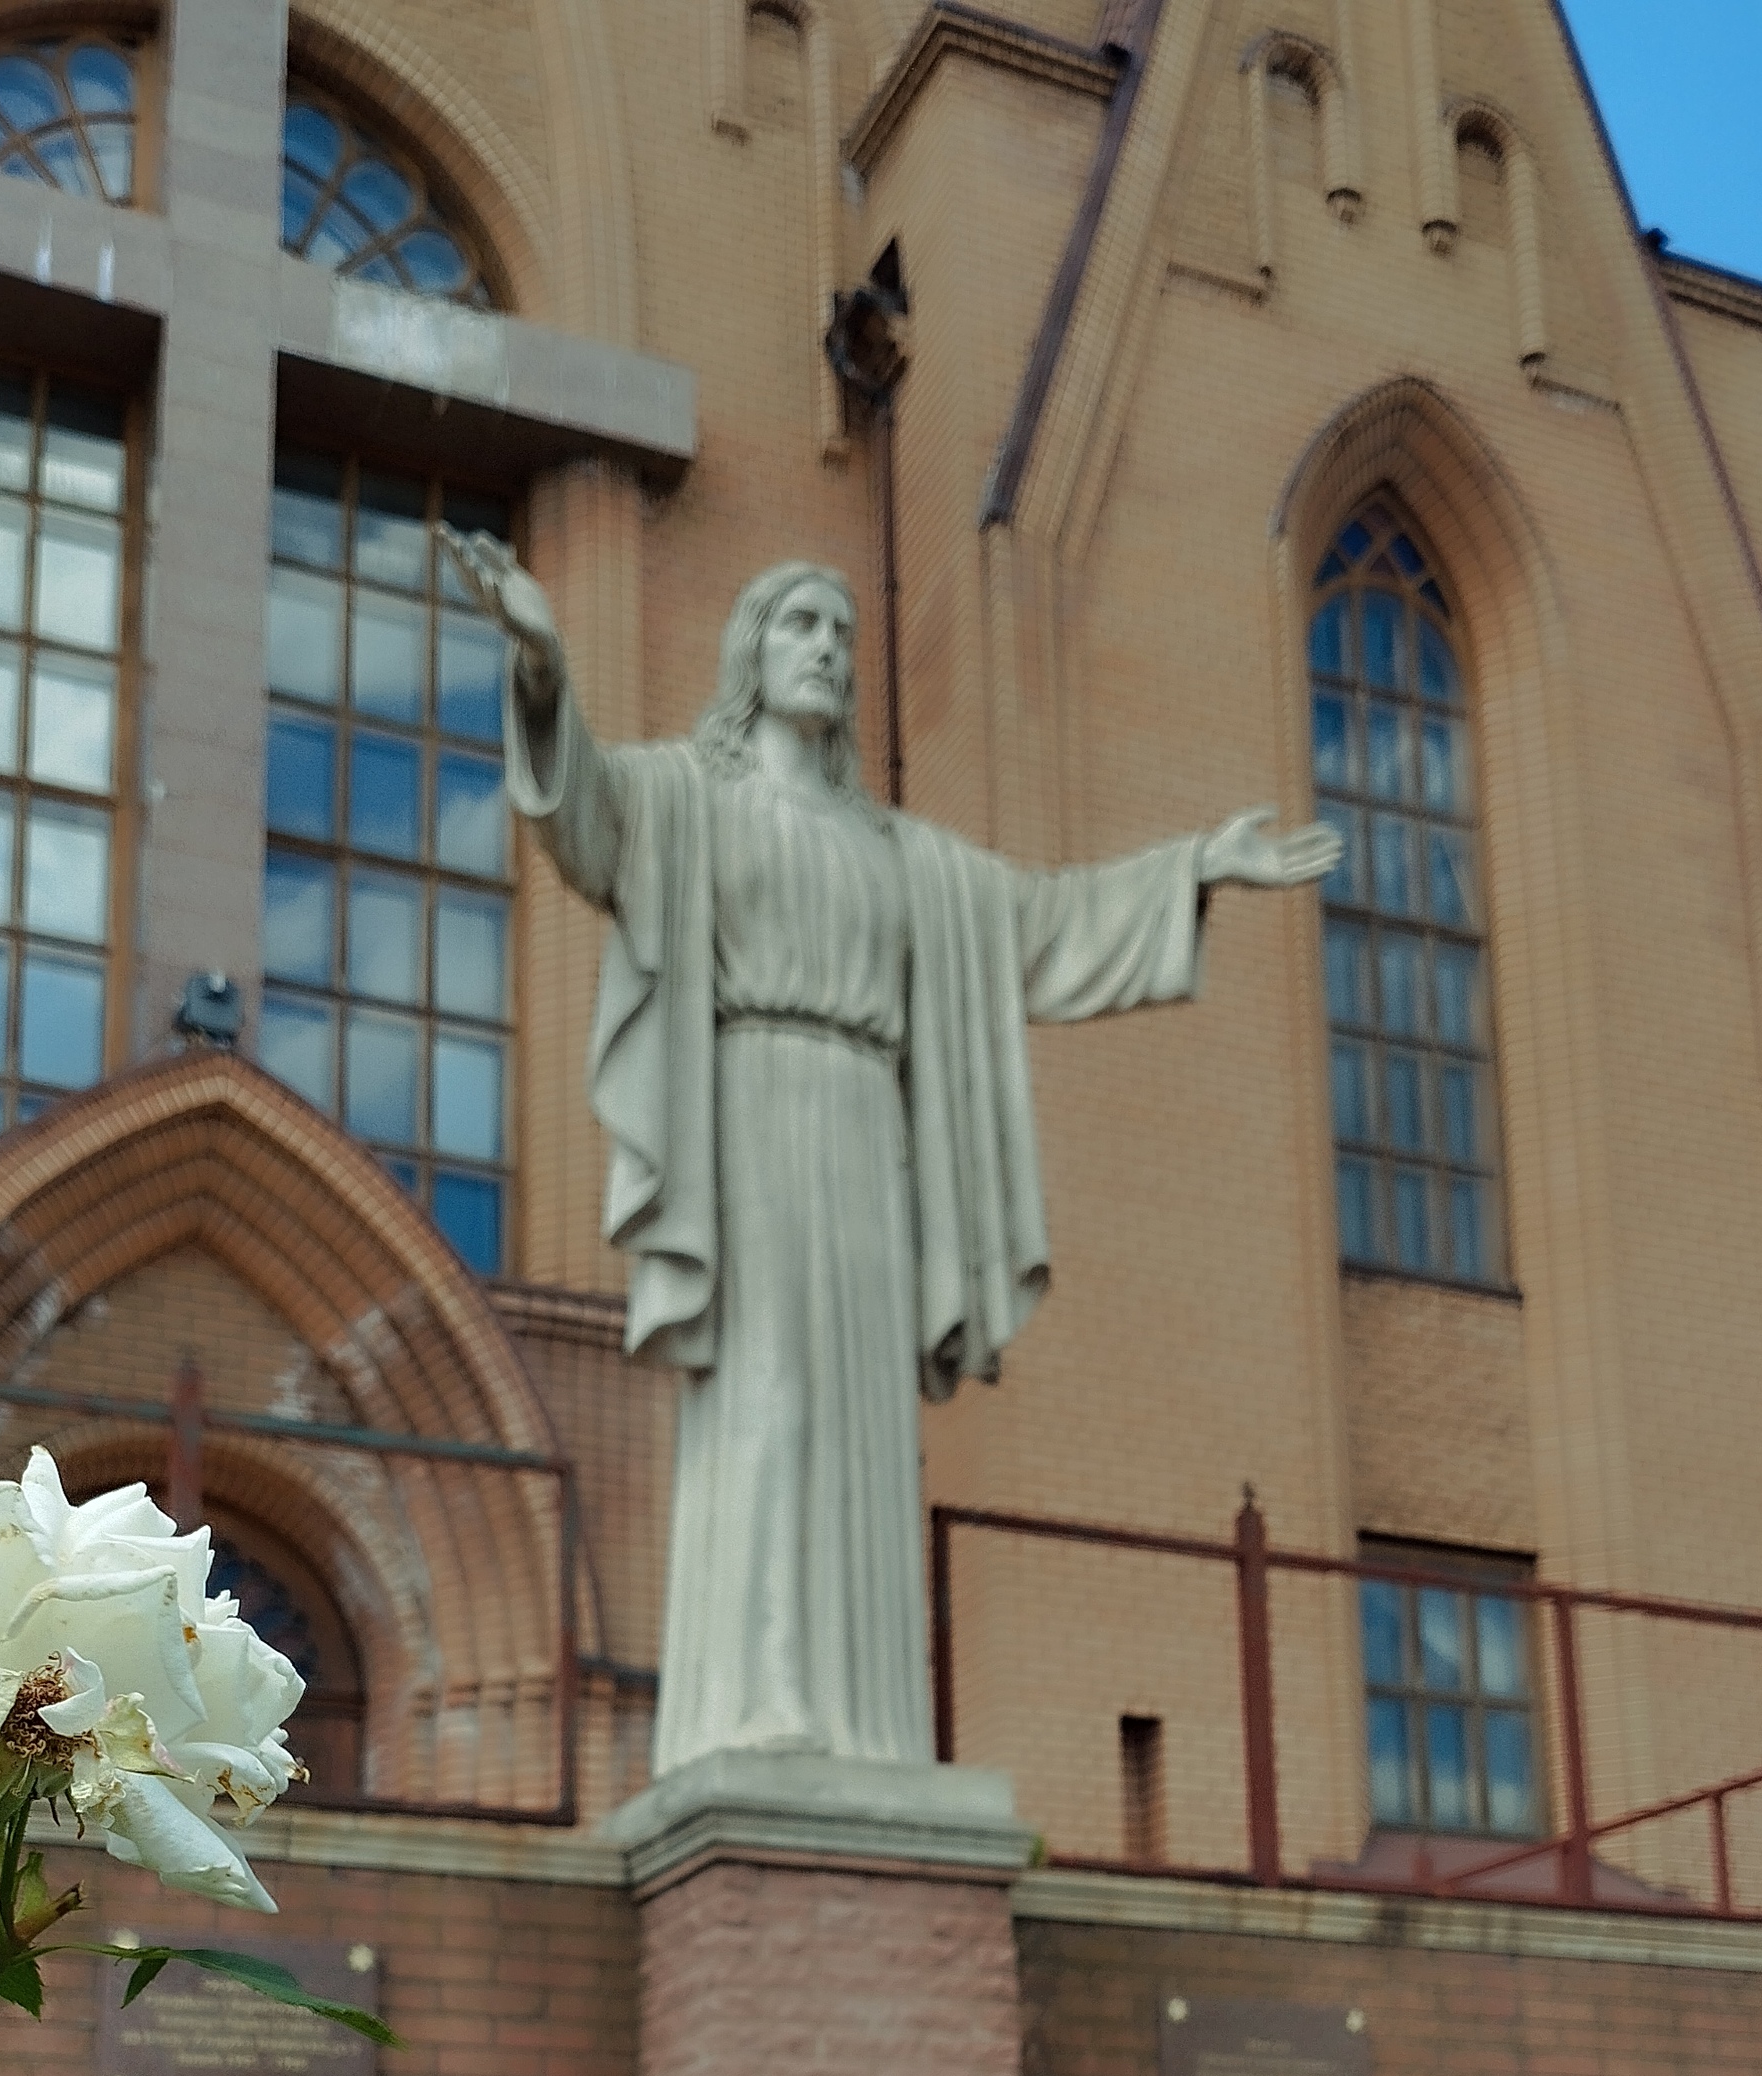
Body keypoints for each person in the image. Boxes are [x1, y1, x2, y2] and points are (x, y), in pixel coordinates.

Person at [449, 541, 1338, 1778]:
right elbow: (578, 808)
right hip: (749, 1116)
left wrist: (1194, 867)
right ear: (749, 658)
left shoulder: (903, 859)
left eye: (838, 631)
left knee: (862, 1417)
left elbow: (1039, 923)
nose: (822, 645)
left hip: (866, 1137)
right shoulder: (683, 800)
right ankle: (751, 1702)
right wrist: (542, 666)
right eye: (796, 624)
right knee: (765, 1397)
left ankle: (866, 1723)